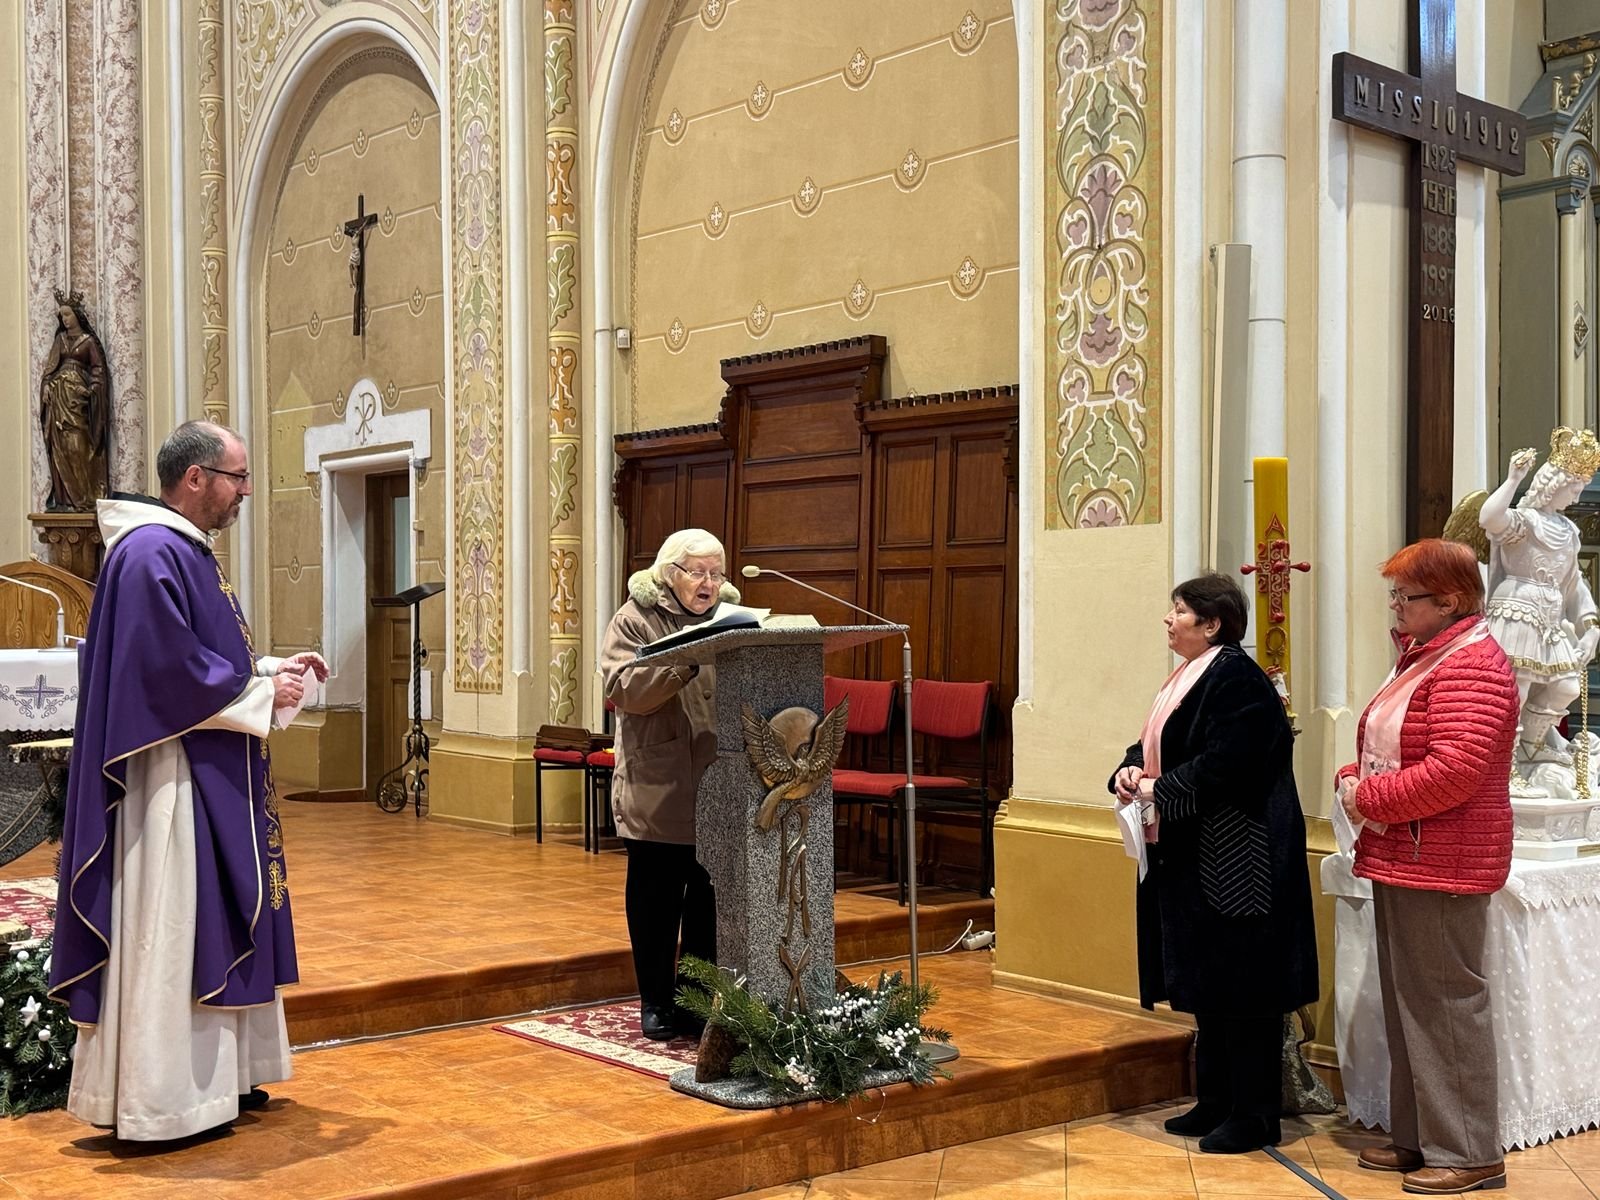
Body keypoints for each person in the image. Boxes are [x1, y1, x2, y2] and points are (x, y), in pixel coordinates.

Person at [49, 421, 326, 1140]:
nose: (246, 491)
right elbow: (167, 673)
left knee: (211, 916)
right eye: (237, 476)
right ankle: (166, 1101)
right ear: (196, 478)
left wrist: (271, 672)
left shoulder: (183, 549)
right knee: (174, 925)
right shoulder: (151, 552)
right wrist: (260, 692)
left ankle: (221, 1080)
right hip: (168, 776)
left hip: (203, 760)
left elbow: (203, 657)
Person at [1110, 573, 1317, 1154]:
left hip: (1238, 857)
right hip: (1193, 852)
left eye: (1179, 610)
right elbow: (1158, 742)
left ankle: (1255, 1114)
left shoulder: (1238, 679)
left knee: (1245, 987)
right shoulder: (1189, 675)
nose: (1168, 619)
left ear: (1212, 624)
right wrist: (1129, 770)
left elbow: (1231, 763)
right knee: (1210, 981)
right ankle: (1216, 1100)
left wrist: (1158, 789)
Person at [1337, 539, 1518, 1195]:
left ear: (1450, 600)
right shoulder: (1426, 656)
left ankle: (1470, 1151)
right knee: (1412, 1005)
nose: (1395, 606)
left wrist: (1368, 798)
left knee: (1447, 1007)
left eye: (1405, 596)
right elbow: (1388, 743)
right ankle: (1419, 1138)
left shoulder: (1473, 665)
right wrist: (1353, 775)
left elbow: (1454, 771)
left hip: (1445, 860)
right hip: (1407, 853)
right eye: (1394, 593)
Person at [599, 529, 732, 1041]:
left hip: (717, 783)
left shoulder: (730, 621)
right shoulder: (635, 619)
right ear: (670, 573)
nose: (708, 583)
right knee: (656, 904)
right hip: (658, 784)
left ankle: (695, 1001)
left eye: (715, 573)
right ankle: (655, 1000)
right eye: (697, 572)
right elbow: (623, 689)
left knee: (707, 905)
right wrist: (683, 662)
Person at [1477, 432, 1600, 779]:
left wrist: (1591, 628)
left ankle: (1531, 747)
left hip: (1548, 618)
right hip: (1518, 610)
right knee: (1515, 691)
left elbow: (1575, 584)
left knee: (1567, 686)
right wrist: (1513, 479)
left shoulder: (1569, 531)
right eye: (1574, 488)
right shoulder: (1525, 521)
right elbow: (1489, 518)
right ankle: (1506, 770)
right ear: (1555, 483)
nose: (1577, 496)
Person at [39, 291, 110, 511]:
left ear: (77, 315)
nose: (65, 319)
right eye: (62, 316)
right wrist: (46, 385)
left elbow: (98, 369)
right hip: (59, 399)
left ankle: (84, 496)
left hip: (78, 402)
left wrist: (91, 389)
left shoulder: (88, 342)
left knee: (79, 445)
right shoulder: (60, 340)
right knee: (60, 445)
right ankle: (65, 498)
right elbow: (50, 369)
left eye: (68, 314)